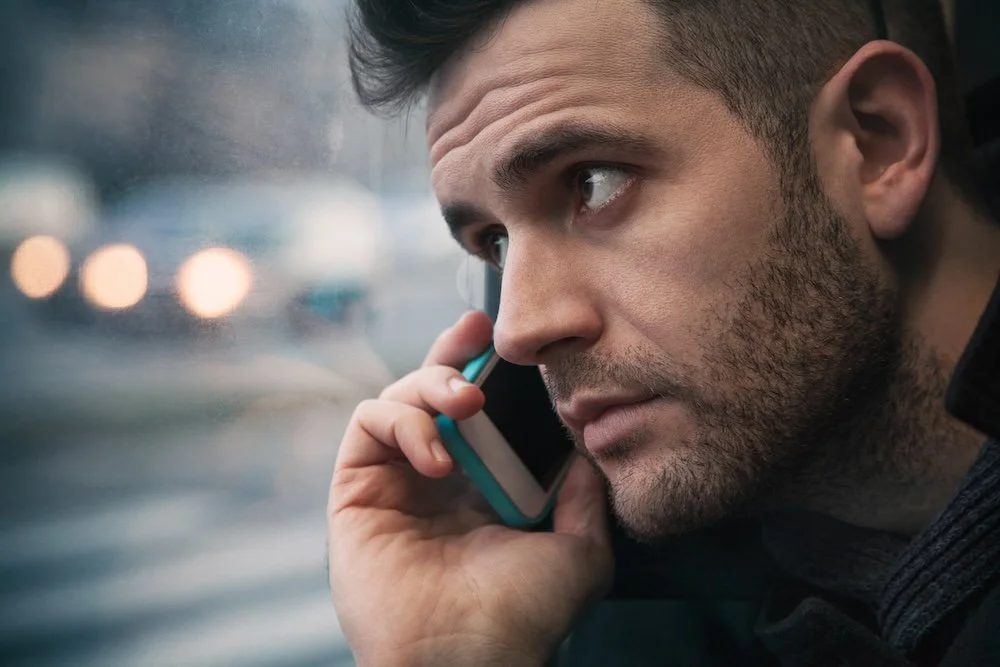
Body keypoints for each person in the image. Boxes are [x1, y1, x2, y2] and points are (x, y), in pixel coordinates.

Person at [326, 0, 1000, 664]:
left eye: (593, 183)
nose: (517, 332)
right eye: (494, 243)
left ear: (878, 141)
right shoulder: (639, 615)